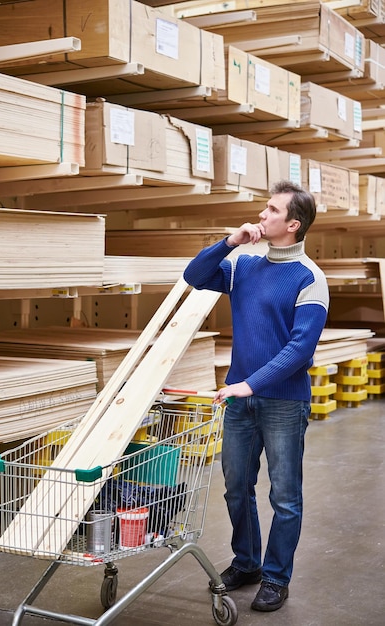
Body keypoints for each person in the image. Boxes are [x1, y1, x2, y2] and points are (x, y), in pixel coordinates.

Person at [183, 180, 329, 612]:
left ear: (293, 224)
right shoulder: (243, 265)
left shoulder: (310, 279)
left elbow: (300, 349)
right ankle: (246, 562)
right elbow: (195, 276)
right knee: (235, 488)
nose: (261, 216)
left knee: (284, 496)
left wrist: (250, 383)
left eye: (270, 210)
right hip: (240, 401)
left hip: (284, 402)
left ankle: (275, 577)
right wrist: (230, 241)